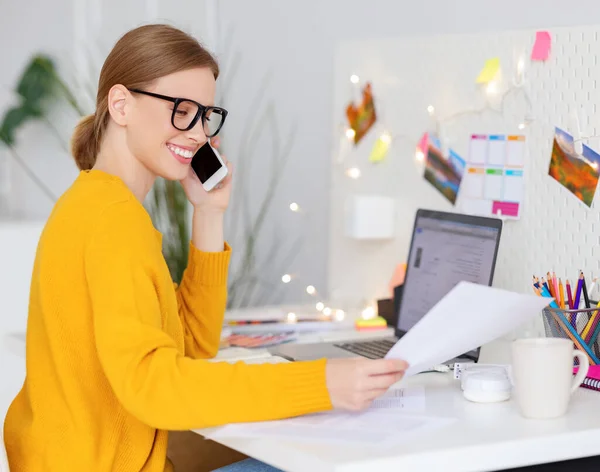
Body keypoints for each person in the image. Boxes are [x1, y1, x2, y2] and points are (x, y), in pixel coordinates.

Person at [3, 24, 408, 472]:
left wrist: (209, 213)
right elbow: (153, 386)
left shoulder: (97, 202)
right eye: (182, 111)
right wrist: (322, 382)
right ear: (120, 105)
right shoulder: (111, 219)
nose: (197, 133)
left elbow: (191, 347)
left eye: (206, 115)